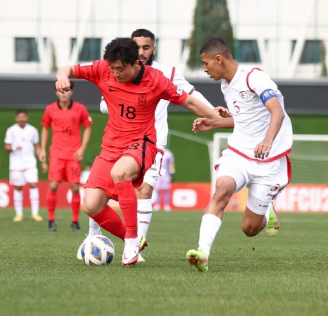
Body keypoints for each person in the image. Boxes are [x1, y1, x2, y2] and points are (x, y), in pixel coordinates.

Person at [56, 37, 219, 266]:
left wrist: (217, 118)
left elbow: (190, 102)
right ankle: (129, 238)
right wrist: (62, 77)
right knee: (91, 205)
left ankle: (132, 243)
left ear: (136, 64)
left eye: (121, 69)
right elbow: (68, 69)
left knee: (121, 172)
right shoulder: (103, 69)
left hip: (142, 143)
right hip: (111, 146)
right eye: (112, 68)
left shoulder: (156, 80)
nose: (116, 73)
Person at [186, 37, 293, 272]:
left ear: (219, 59)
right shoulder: (226, 85)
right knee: (222, 191)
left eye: (205, 64)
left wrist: (267, 141)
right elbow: (245, 121)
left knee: (250, 229)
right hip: (239, 153)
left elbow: (277, 112)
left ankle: (267, 212)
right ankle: (202, 252)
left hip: (269, 160)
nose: (204, 69)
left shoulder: (254, 77)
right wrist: (214, 123)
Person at [40, 82, 93, 232]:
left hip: (73, 154)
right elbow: (45, 129)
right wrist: (43, 150)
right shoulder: (50, 109)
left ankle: (75, 221)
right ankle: (51, 220)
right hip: (56, 153)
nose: (63, 93)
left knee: (75, 187)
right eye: (60, 90)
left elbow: (88, 127)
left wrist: (82, 148)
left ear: (71, 92)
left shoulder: (80, 109)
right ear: (56, 93)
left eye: (66, 90)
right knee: (53, 185)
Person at [4, 109, 44, 222]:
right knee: (18, 187)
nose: (22, 119)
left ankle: (35, 213)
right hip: (16, 163)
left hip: (30, 162)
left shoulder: (32, 130)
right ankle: (19, 214)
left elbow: (36, 146)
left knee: (33, 184)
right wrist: (13, 148)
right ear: (16, 118)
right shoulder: (11, 130)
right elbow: (6, 147)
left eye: (24, 117)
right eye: (19, 117)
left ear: (27, 118)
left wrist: (42, 160)